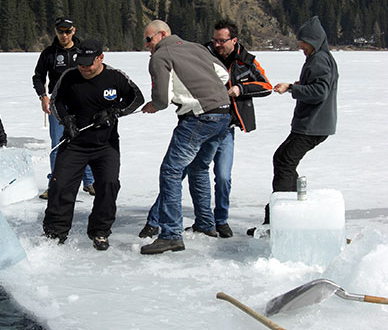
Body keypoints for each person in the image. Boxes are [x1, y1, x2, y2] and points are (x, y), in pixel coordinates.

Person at [139, 20, 231, 255]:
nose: (147, 44)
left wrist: (153, 105)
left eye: (149, 39)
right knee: (199, 168)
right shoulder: (197, 48)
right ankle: (206, 224)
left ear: (162, 35)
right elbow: (222, 75)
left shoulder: (160, 57)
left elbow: (161, 99)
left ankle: (170, 234)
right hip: (223, 114)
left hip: (198, 118)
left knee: (171, 171)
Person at [43, 39, 144, 251]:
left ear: (100, 58)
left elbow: (136, 98)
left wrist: (114, 111)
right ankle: (55, 234)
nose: (84, 68)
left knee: (108, 185)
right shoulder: (69, 76)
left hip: (105, 145)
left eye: (88, 63)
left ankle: (100, 231)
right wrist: (66, 120)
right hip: (74, 143)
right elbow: (56, 101)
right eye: (80, 63)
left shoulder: (115, 77)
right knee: (60, 186)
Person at [248, 15, 338, 235]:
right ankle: (292, 210)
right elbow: (318, 86)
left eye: (303, 42)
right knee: (284, 159)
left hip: (313, 125)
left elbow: (320, 92)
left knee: (285, 161)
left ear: (314, 41)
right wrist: (300, 85)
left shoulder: (319, 60)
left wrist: (292, 88)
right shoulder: (320, 58)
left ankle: (279, 219)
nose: (300, 46)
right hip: (312, 124)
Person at [185, 20, 272, 238]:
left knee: (223, 176)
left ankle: (221, 220)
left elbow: (266, 86)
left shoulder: (245, 60)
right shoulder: (203, 54)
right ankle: (203, 220)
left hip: (226, 128)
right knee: (196, 172)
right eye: (215, 40)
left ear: (234, 40)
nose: (217, 44)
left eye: (222, 41)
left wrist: (240, 88)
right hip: (201, 123)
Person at [32, 17, 95, 200]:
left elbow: (95, 72)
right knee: (58, 144)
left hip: (82, 102)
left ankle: (89, 181)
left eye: (67, 31)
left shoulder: (82, 50)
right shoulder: (49, 53)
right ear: (56, 31)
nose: (64, 35)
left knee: (84, 140)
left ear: (73, 30)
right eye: (61, 31)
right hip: (58, 103)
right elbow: (38, 77)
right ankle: (55, 184)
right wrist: (43, 96)